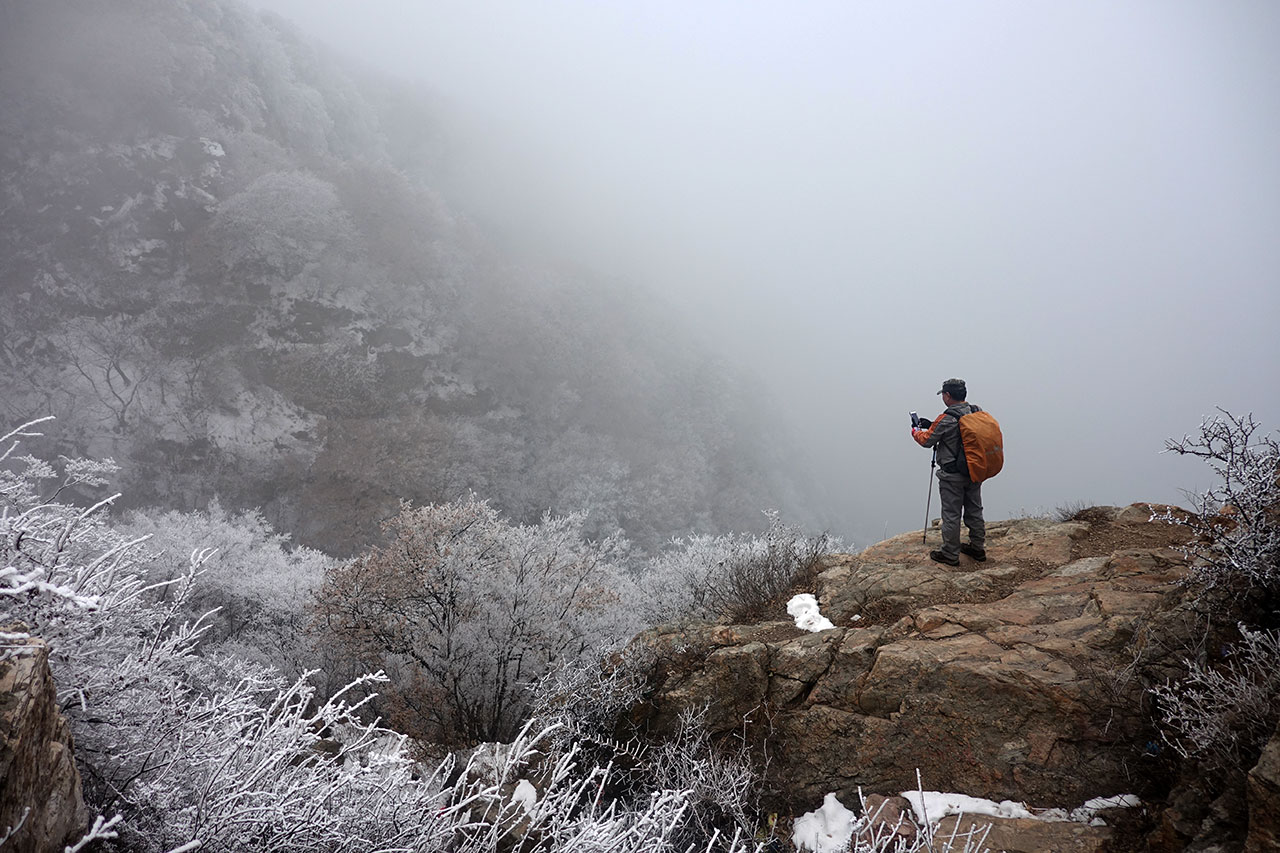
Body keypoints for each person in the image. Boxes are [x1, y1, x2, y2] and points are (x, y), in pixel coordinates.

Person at [911, 378, 986, 566]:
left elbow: (926, 441)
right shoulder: (976, 411)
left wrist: (915, 431)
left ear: (948, 395)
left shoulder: (946, 418)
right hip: (974, 470)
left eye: (943, 394)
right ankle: (978, 548)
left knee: (951, 515)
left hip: (952, 476)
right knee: (974, 511)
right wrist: (932, 424)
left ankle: (950, 554)